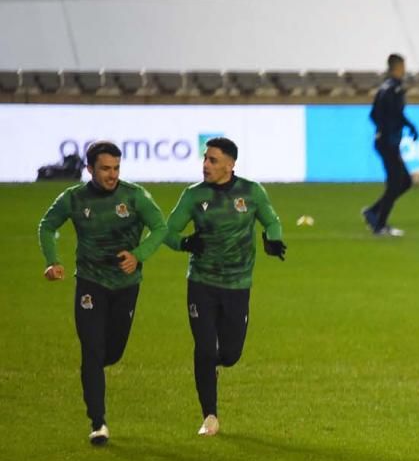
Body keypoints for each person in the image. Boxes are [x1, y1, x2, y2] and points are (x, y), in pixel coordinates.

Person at [37, 141, 167, 445]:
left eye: (116, 168)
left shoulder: (134, 196)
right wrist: (52, 261)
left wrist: (138, 254)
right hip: (90, 284)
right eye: (105, 168)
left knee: (113, 352)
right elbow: (46, 225)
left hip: (126, 286)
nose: (112, 175)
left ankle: (95, 372)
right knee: (92, 351)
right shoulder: (73, 198)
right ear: (89, 169)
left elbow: (160, 227)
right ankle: (98, 423)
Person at [165, 137, 286, 436]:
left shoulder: (252, 192)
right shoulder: (193, 196)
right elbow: (167, 231)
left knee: (230, 354)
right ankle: (210, 416)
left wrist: (272, 239)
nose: (206, 165)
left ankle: (208, 364)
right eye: (205, 159)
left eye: (213, 160)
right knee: (205, 348)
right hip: (202, 283)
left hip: (238, 284)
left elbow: (272, 220)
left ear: (231, 165)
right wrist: (184, 244)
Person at [362, 53, 414, 238]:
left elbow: (374, 114)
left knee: (405, 181)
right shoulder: (394, 89)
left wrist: (384, 128)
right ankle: (380, 225)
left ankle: (373, 212)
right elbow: (394, 113)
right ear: (398, 67)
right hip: (388, 143)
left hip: (387, 142)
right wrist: (397, 129)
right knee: (396, 183)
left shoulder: (386, 88)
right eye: (403, 66)